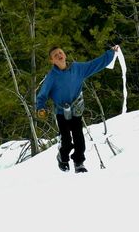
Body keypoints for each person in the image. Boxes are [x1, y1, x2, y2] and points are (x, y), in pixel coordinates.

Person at [36, 45, 118, 173]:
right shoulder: (51, 77)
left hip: (76, 110)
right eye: (55, 55)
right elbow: (42, 95)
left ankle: (79, 163)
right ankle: (62, 158)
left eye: (60, 52)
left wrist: (111, 53)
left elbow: (95, 64)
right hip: (61, 113)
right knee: (67, 141)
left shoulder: (78, 68)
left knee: (79, 139)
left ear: (65, 55)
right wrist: (40, 108)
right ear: (52, 61)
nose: (59, 55)